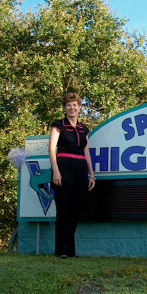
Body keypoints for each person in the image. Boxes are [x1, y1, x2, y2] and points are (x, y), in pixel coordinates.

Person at [49, 92, 96, 258]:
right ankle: (62, 250)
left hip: (81, 168)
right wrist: (55, 170)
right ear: (65, 108)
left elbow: (86, 152)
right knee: (63, 208)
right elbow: (51, 149)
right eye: (69, 105)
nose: (72, 108)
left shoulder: (84, 129)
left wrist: (91, 175)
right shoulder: (58, 125)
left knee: (76, 209)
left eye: (75, 105)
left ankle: (70, 250)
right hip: (63, 167)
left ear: (79, 107)